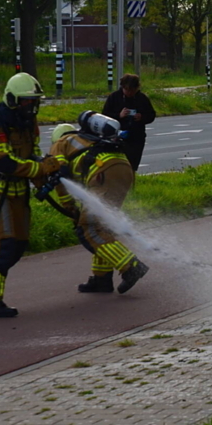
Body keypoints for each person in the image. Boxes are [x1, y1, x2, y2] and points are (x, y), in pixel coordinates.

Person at [0, 73, 65, 317]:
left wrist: (46, 171)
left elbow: (32, 154)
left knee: (19, 244)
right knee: (3, 244)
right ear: (12, 99)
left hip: (18, 190)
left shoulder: (28, 123)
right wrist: (40, 168)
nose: (30, 106)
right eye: (26, 101)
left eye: (33, 101)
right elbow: (3, 161)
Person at [48, 120, 149, 294]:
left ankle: (131, 266)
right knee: (104, 225)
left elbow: (59, 178)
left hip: (104, 172)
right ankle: (102, 278)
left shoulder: (60, 143)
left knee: (90, 227)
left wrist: (70, 207)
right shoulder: (88, 140)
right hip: (123, 167)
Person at [102, 74, 155, 171]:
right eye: (127, 90)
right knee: (116, 166)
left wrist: (141, 117)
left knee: (132, 166)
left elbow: (151, 115)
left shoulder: (142, 98)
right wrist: (119, 115)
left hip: (136, 138)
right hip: (117, 137)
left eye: (132, 91)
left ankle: (130, 182)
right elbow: (104, 115)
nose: (130, 93)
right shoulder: (114, 97)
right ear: (122, 87)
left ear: (137, 88)